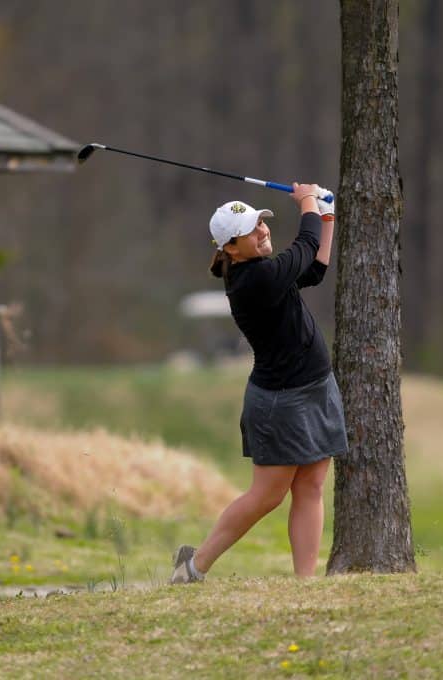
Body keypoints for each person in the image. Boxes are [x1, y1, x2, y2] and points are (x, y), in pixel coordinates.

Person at [171, 182, 348, 583]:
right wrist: (307, 202)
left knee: (312, 484)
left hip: (315, 387)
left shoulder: (266, 271)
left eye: (261, 224)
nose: (263, 231)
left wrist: (327, 214)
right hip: (280, 402)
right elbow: (305, 245)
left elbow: (315, 269)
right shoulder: (255, 281)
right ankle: (194, 567)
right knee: (267, 495)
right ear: (231, 248)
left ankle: (305, 584)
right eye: (252, 231)